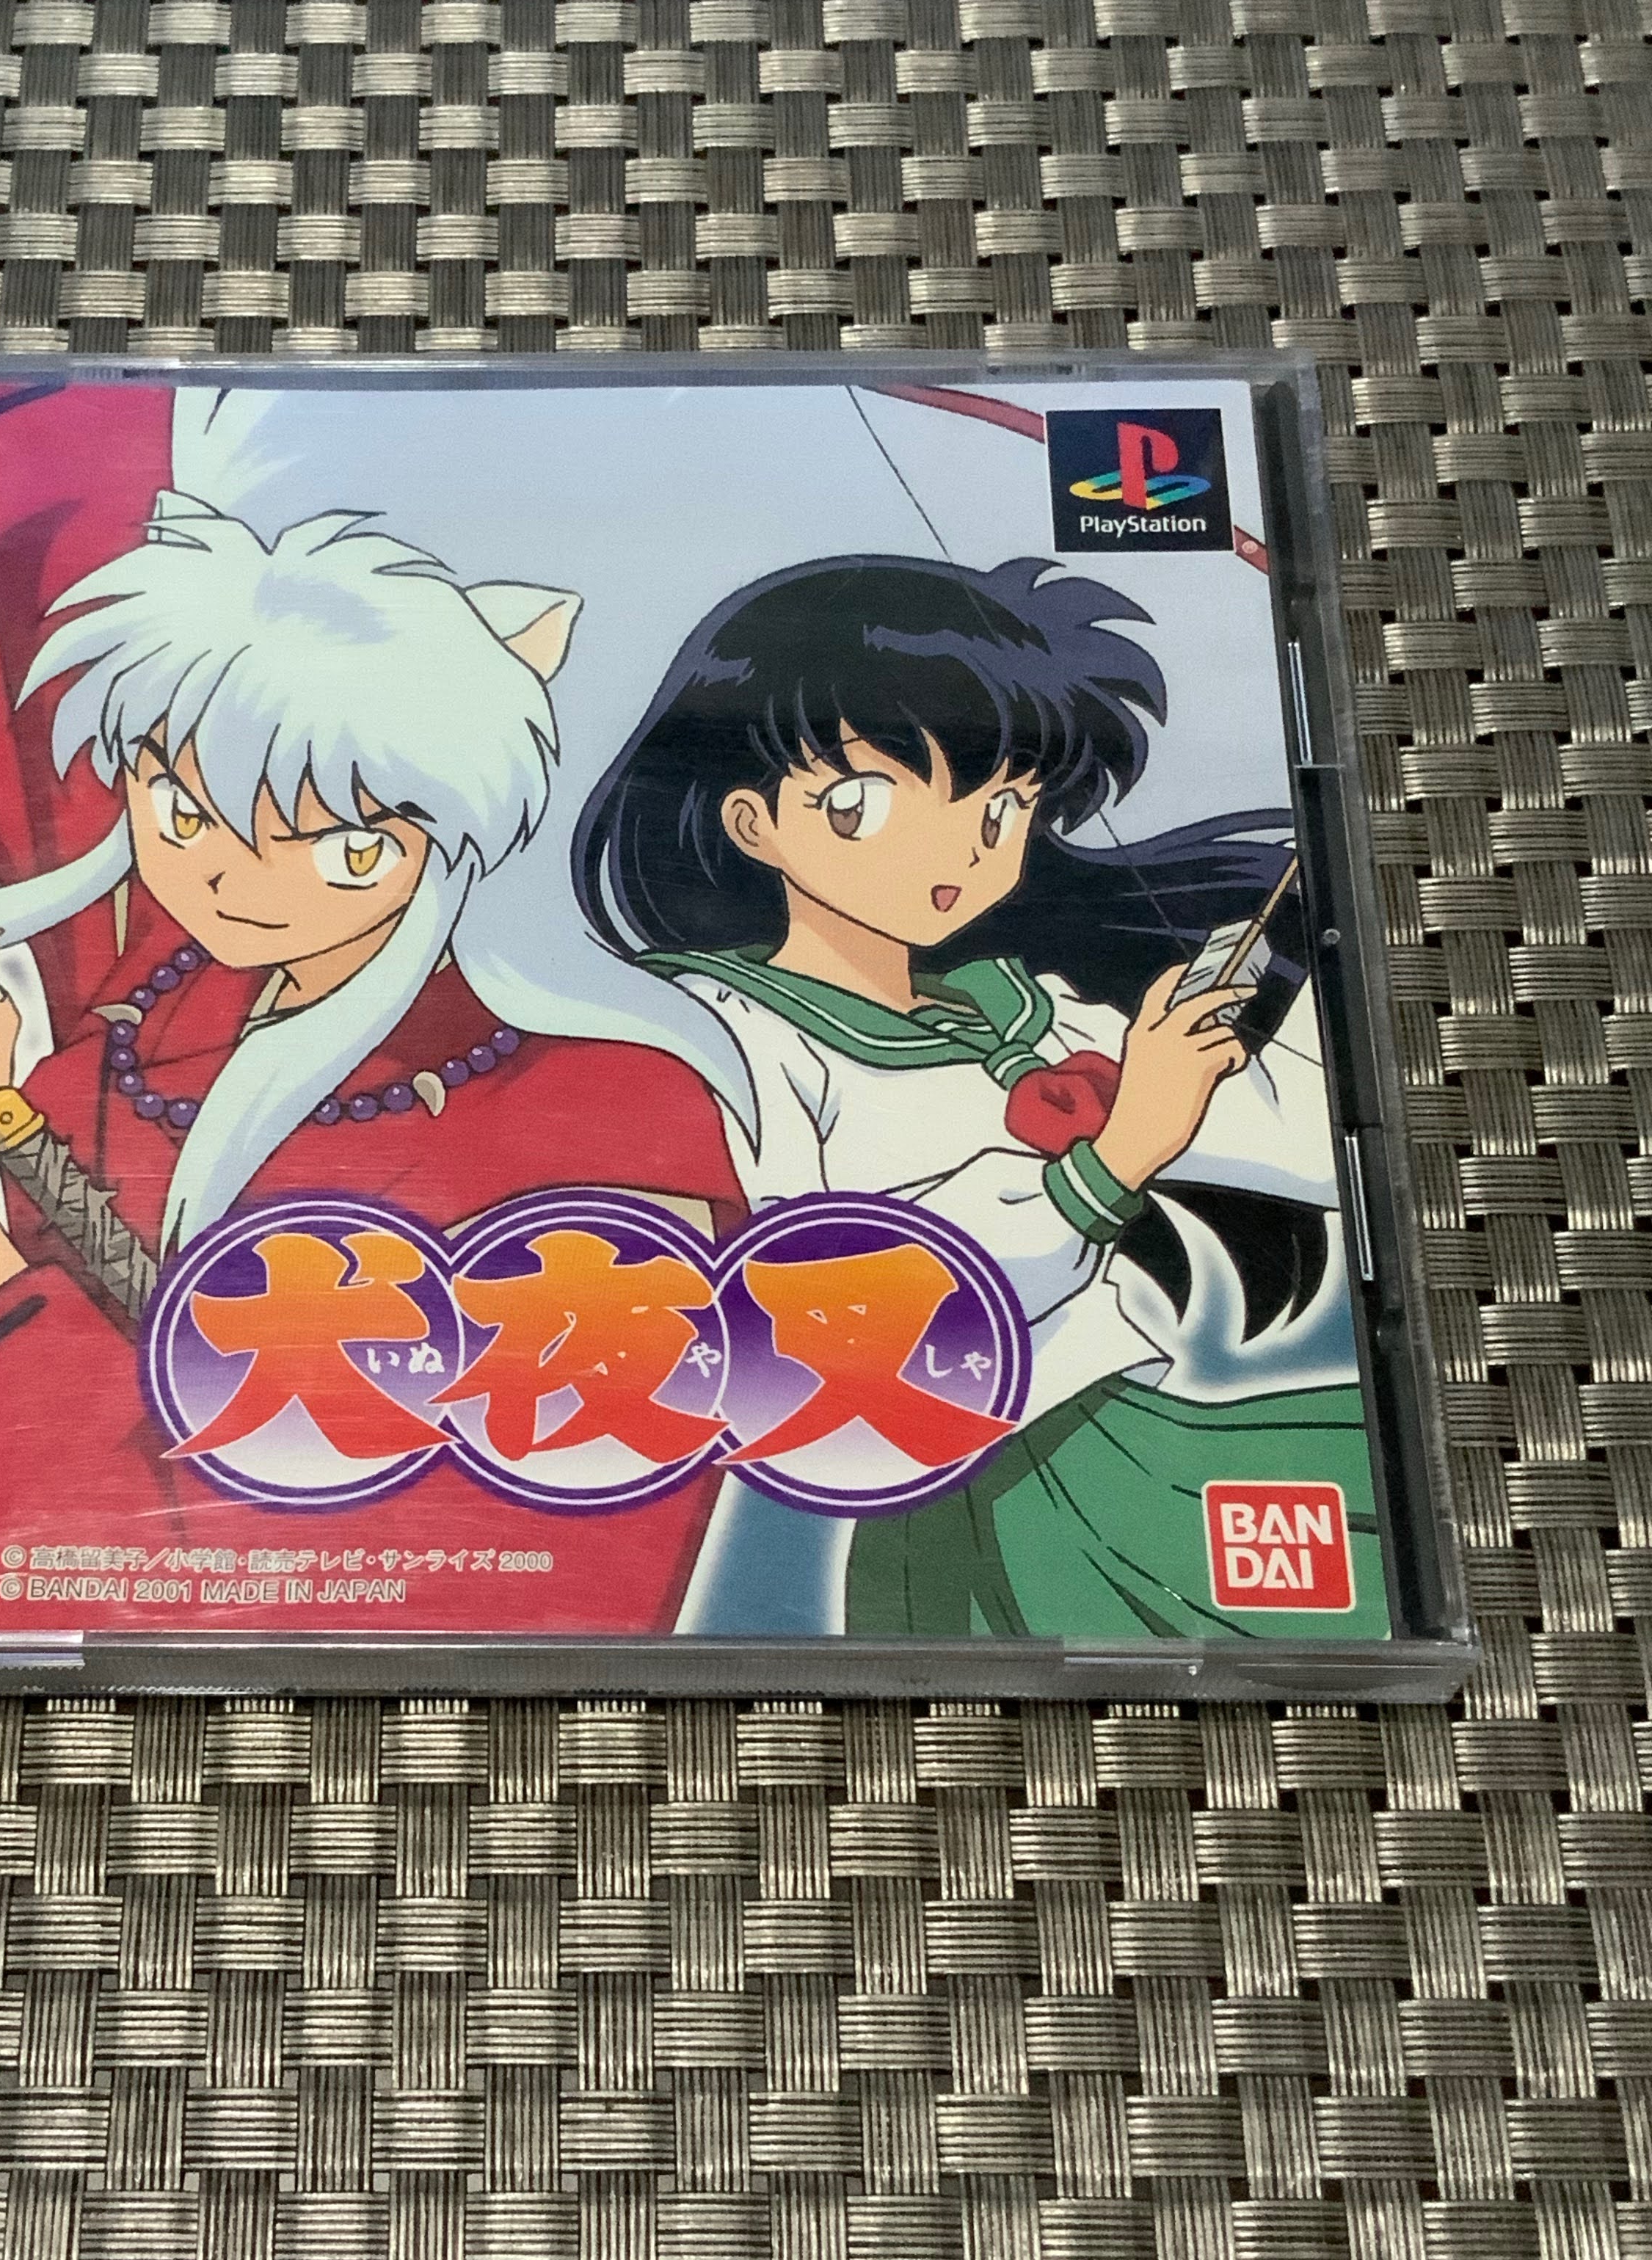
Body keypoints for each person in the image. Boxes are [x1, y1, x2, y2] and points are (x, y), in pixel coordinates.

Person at [0, 406, 756, 1639]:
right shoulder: (138, 1029)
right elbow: (66, 1449)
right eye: (181, 813)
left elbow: (473, 1556)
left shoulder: (612, 1116)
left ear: (453, 833)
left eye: (341, 846)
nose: (234, 879)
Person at [575, 551, 1390, 1641]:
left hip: (1119, 1449)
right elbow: (811, 1306)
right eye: (867, 801)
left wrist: (1272, 980)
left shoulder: (1021, 1007)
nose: (957, 848)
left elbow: (1298, 1144)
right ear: (751, 822)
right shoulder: (719, 1037)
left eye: (1002, 808)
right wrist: (1110, 1163)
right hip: (984, 1501)